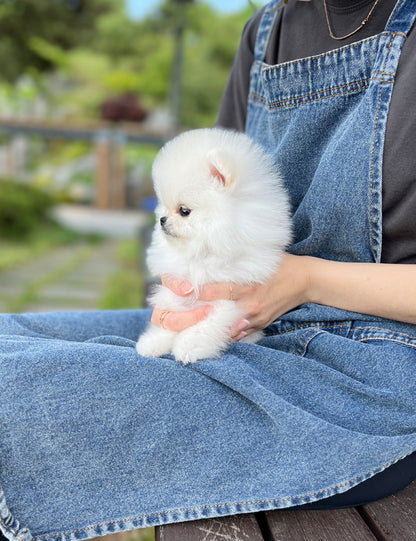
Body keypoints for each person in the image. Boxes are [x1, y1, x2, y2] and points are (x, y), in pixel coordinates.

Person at [1, 1, 416, 541]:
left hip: (363, 378)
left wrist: (305, 280)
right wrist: (184, 294)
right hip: (244, 326)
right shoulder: (267, 31)